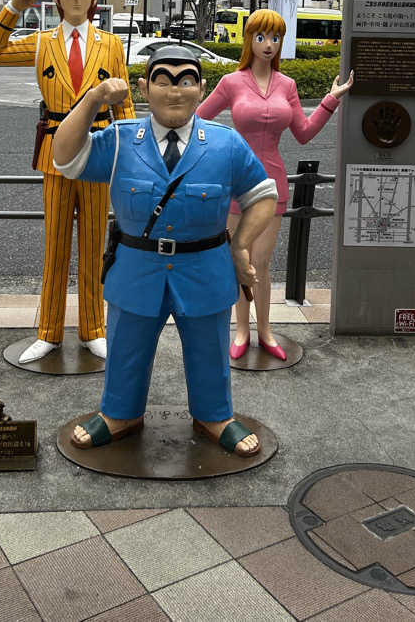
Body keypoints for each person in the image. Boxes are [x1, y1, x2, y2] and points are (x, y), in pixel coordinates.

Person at [54, 44, 278, 456]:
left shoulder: (225, 144)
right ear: (145, 87)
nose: (175, 91)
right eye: (163, 80)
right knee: (127, 345)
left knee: (209, 347)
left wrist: (241, 245)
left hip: (204, 267)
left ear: (201, 89)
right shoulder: (121, 140)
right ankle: (119, 412)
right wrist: (92, 101)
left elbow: (264, 194)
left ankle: (215, 414)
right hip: (137, 267)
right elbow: (65, 158)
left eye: (186, 81)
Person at [0, 0, 135, 363]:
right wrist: (14, 6)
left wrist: (134, 154)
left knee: (92, 244)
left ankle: (93, 328)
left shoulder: (111, 44)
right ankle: (48, 330)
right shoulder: (42, 42)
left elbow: (123, 102)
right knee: (54, 245)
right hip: (54, 151)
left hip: (100, 152)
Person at [197, 9, 353, 361]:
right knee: (238, 261)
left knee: (262, 264)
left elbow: (303, 133)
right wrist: (217, 149)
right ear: (249, 40)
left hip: (273, 183)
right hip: (235, 182)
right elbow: (195, 121)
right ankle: (240, 330)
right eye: (262, 37)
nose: (269, 45)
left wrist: (331, 99)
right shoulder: (231, 82)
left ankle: (265, 331)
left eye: (275, 38)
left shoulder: (288, 85)